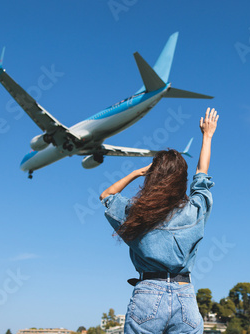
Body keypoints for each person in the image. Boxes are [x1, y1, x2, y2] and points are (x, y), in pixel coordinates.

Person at [100, 107, 219, 334]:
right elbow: (202, 176)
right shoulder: (195, 210)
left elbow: (106, 196)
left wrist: (136, 172)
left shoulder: (138, 213)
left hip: (147, 296)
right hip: (185, 297)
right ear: (182, 181)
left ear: (153, 177)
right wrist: (207, 136)